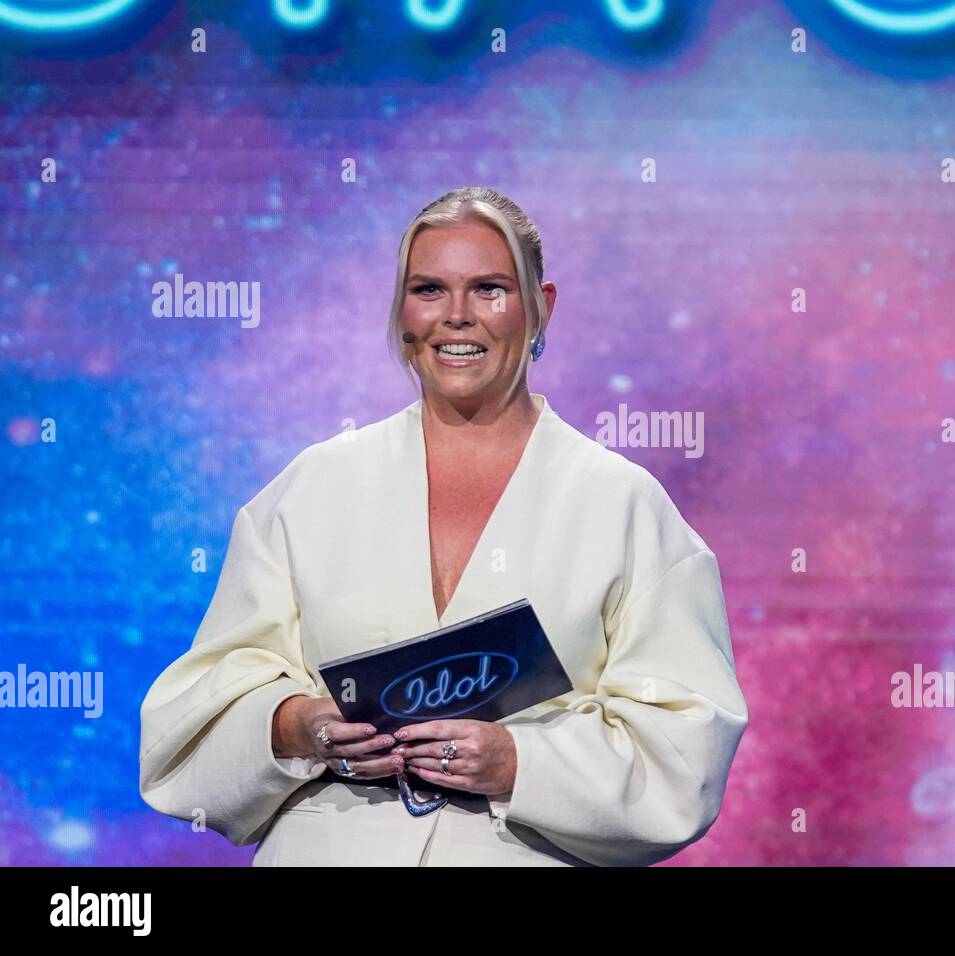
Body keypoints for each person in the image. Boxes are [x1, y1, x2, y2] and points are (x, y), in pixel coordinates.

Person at [137, 186, 748, 866]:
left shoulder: (624, 506)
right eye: (429, 289)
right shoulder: (313, 488)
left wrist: (518, 762)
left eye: (489, 289)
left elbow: (684, 750)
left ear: (542, 307)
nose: (456, 317)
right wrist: (296, 725)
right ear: (402, 312)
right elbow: (193, 716)